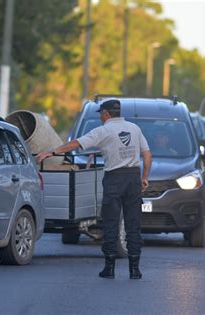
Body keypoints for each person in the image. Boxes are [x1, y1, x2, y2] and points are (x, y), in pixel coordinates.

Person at [37, 99, 152, 280]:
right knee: (133, 225)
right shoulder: (134, 128)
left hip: (114, 178)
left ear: (106, 114)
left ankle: (110, 268)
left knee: (111, 223)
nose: (100, 117)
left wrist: (52, 152)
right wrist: (144, 178)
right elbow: (147, 154)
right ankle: (134, 269)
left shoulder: (103, 130)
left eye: (100, 114)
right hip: (133, 178)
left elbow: (76, 144)